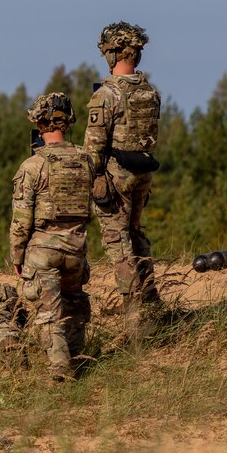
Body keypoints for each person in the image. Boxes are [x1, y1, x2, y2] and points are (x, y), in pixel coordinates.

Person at [10, 93, 94, 380]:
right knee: (74, 303)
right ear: (68, 121)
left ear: (39, 122)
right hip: (77, 248)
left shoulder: (32, 166)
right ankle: (78, 358)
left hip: (43, 250)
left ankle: (60, 367)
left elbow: (21, 220)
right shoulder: (86, 159)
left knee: (48, 311)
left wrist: (17, 256)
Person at [84, 21, 163, 317]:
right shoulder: (150, 92)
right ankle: (152, 299)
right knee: (137, 234)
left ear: (115, 53)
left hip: (116, 176)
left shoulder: (106, 95)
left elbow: (93, 147)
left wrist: (90, 181)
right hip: (143, 172)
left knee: (118, 243)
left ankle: (135, 313)